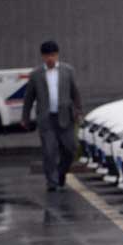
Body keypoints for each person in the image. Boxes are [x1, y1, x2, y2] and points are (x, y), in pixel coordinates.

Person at [21, 40, 83, 192]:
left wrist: (79, 111)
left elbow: (75, 92)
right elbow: (29, 97)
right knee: (49, 151)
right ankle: (52, 182)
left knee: (70, 149)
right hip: (46, 118)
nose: (50, 58)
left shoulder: (67, 71)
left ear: (57, 55)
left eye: (53, 55)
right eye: (47, 55)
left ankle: (61, 173)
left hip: (65, 116)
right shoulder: (36, 75)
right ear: (43, 56)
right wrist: (25, 117)